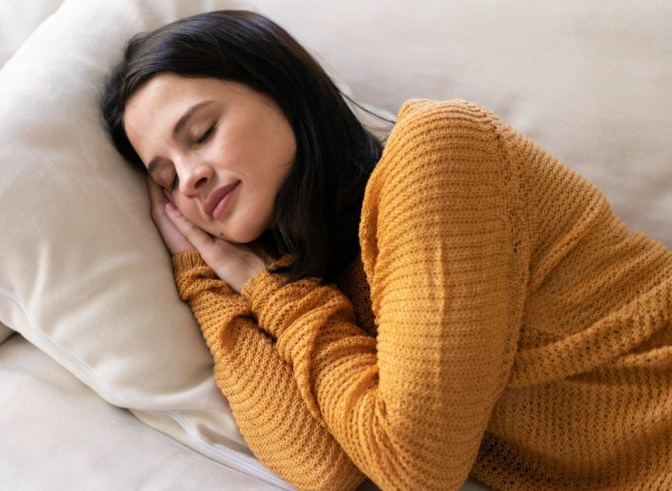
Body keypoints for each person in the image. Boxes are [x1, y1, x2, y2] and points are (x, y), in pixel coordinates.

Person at [100, 9, 672, 491]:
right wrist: (209, 281)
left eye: (200, 133)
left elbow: (414, 467)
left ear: (282, 91)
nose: (189, 179)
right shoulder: (312, 287)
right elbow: (322, 468)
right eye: (167, 179)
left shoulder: (438, 153)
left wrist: (267, 293)